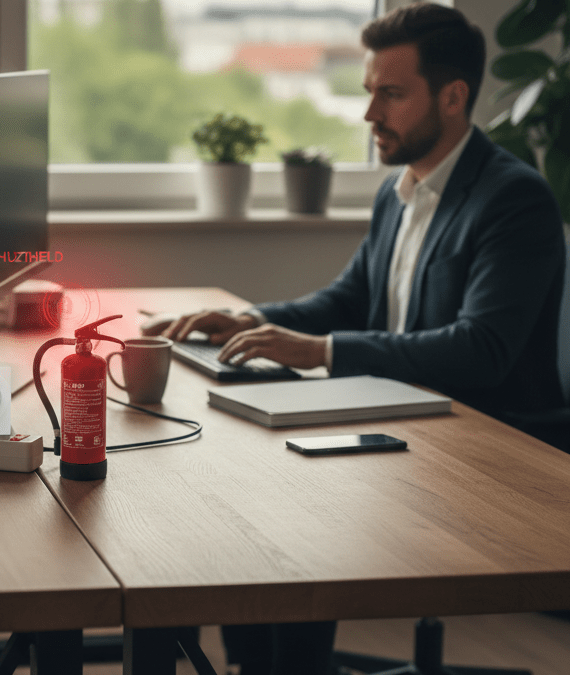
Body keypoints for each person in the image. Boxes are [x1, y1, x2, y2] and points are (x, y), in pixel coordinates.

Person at [150, 4, 567, 674]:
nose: (370, 113)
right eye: (370, 91)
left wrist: (320, 351)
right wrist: (253, 320)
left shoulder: (512, 200)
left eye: (391, 94)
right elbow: (349, 299)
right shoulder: (397, 191)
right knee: (244, 492)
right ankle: (259, 665)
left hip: (484, 452)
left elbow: (480, 351)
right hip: (405, 425)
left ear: (454, 97)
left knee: (293, 511)